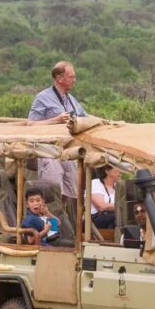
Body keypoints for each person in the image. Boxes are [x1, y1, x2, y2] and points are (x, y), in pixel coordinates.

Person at [27, 61, 87, 201]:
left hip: (67, 153)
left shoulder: (71, 99)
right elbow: (31, 124)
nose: (75, 80)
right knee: (53, 197)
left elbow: (85, 118)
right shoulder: (42, 97)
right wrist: (56, 120)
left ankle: (70, 222)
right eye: (72, 77)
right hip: (49, 154)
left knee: (73, 197)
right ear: (60, 78)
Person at [90, 165, 120, 229]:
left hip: (112, 216)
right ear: (107, 171)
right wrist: (121, 206)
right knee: (117, 217)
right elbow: (101, 206)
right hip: (95, 218)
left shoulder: (117, 186)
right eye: (117, 168)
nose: (120, 171)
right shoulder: (95, 183)